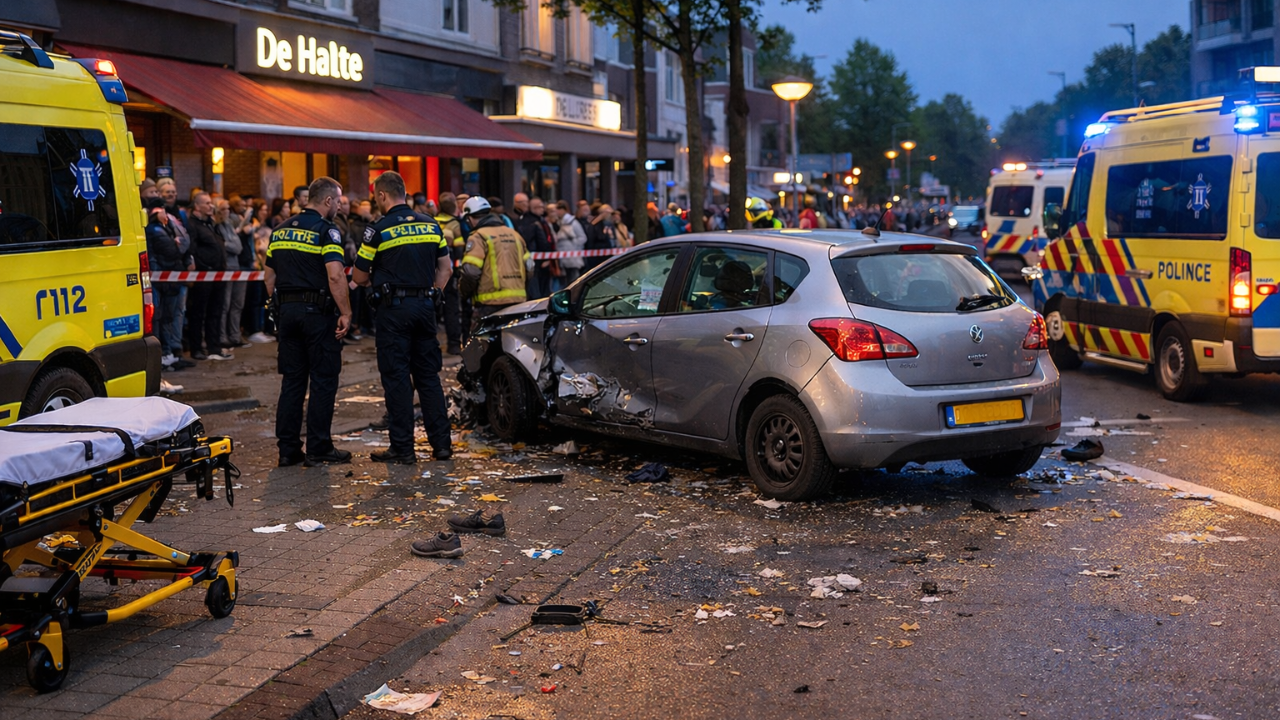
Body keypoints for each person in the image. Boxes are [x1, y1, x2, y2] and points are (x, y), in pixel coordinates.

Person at [352, 171, 452, 464]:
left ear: (382, 195)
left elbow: (358, 276)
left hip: (393, 311)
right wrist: (432, 292)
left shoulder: (378, 229)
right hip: (425, 308)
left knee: (397, 378)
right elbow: (445, 269)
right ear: (404, 193)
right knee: (428, 377)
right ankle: (442, 446)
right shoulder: (431, 224)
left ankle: (403, 449)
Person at [265, 176, 353, 467]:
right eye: (337, 202)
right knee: (323, 381)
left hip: (287, 314)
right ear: (327, 201)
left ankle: (288, 449)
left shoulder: (279, 231)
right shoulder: (326, 231)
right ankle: (319, 447)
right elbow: (336, 275)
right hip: (317, 314)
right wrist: (346, 312)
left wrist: (281, 306)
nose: (339, 207)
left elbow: (269, 276)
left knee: (292, 382)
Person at [460, 196, 528, 323]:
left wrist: (464, 292)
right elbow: (530, 266)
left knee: (481, 341)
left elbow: (471, 272)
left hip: (489, 303)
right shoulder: (514, 234)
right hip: (518, 301)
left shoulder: (478, 237)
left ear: (469, 218)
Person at [145, 197, 190, 371]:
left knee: (169, 316)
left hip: (170, 279)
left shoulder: (166, 227)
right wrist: (175, 243)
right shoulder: (155, 229)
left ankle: (169, 352)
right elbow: (174, 249)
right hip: (161, 279)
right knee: (161, 317)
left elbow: (184, 242)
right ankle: (163, 354)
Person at [185, 192, 231, 361]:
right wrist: (203, 266)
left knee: (216, 311)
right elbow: (192, 249)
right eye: (207, 203)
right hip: (203, 275)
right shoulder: (192, 225)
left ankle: (214, 346)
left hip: (218, 274)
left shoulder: (211, 224)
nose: (211, 206)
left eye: (211, 203)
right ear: (197, 206)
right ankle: (196, 348)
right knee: (198, 313)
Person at [435, 192, 468, 355]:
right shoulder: (455, 225)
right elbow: (459, 248)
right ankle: (454, 344)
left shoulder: (432, 222)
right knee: (451, 308)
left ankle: (431, 343)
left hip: (432, 272)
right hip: (450, 271)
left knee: (433, 308)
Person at [518, 196, 554, 299]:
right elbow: (543, 241)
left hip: (534, 259)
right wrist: (546, 257)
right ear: (535, 208)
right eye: (541, 207)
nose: (543, 209)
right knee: (539, 289)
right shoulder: (535, 223)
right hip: (538, 260)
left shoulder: (530, 220)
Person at [554, 200, 587, 286]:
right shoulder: (558, 223)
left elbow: (582, 237)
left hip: (572, 258)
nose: (557, 212)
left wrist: (573, 247)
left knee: (573, 282)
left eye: (559, 209)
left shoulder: (573, 223)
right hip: (562, 258)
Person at [583, 203, 617, 271]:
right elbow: (591, 240)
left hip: (609, 256)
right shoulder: (595, 225)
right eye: (608, 213)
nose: (610, 216)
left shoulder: (610, 224)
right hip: (597, 258)